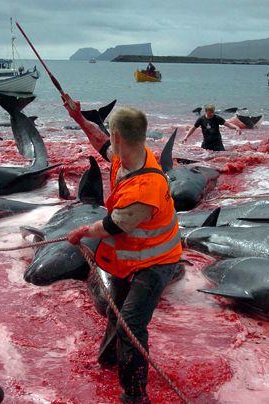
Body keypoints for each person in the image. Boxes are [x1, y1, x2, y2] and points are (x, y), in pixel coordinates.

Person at [62, 94, 182, 404]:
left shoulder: (147, 187)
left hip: (157, 261)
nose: (109, 145)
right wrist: (78, 118)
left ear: (120, 137)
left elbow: (114, 225)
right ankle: (109, 362)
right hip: (132, 255)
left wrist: (80, 232)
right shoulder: (129, 154)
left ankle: (134, 396)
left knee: (131, 325)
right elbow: (100, 141)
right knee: (116, 313)